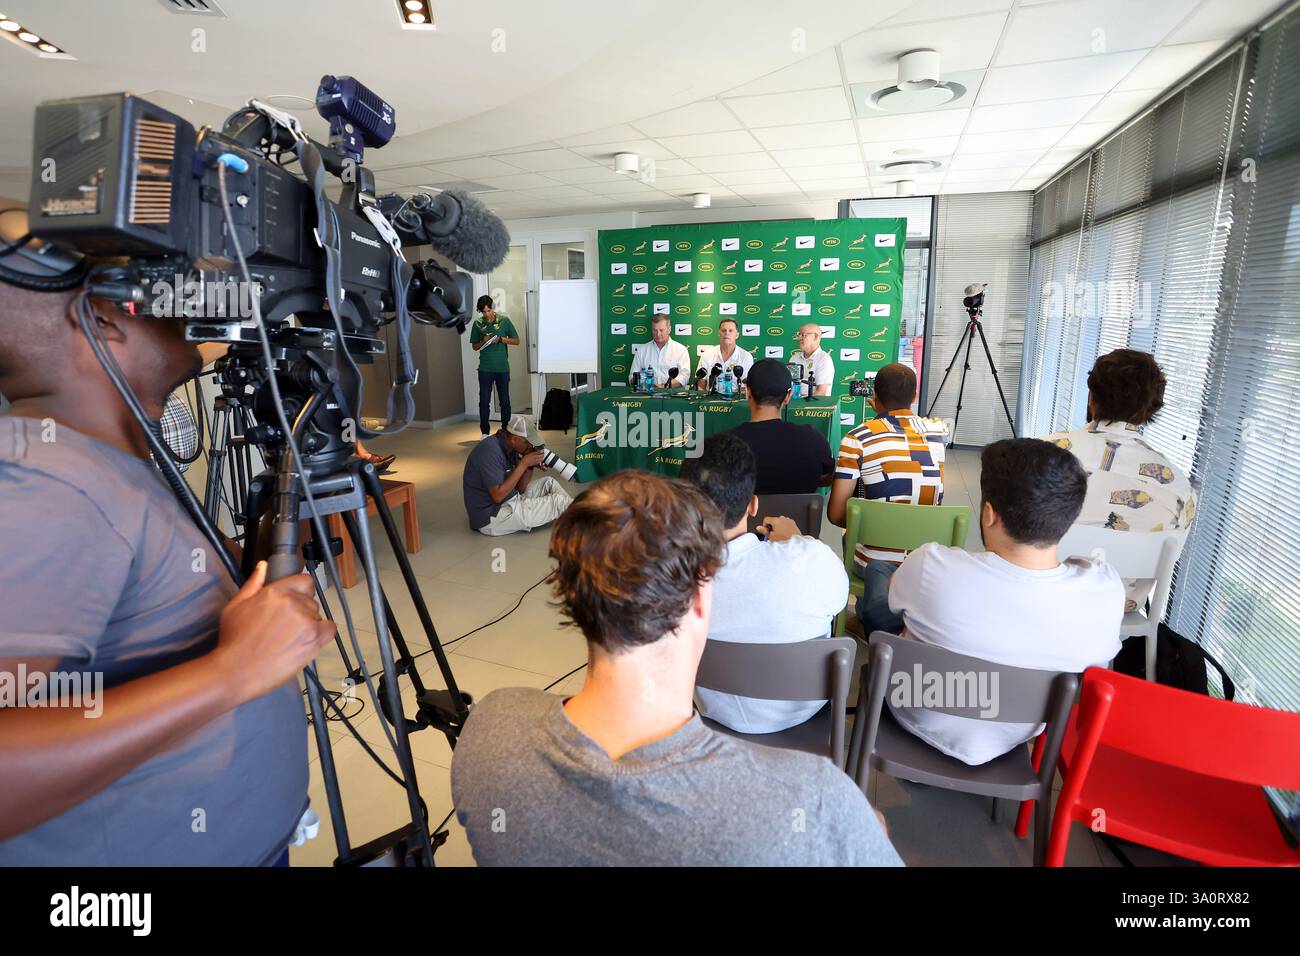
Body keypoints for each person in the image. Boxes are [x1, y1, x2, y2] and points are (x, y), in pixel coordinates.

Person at [0, 205, 335, 865]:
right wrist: (232, 673)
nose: (182, 297)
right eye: (153, 281)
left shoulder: (100, 462)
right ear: (100, 319)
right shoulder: (44, 484)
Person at [450, 470, 901, 866]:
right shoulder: (819, 800)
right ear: (702, 599)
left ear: (575, 600)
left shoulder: (488, 728)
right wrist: (863, 830)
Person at [880, 438, 1125, 766]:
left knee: (882, 583)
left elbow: (893, 601)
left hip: (915, 711)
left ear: (989, 514)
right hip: (1017, 733)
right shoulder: (1105, 594)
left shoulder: (933, 565)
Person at [681, 434, 848, 734]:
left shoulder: (669, 583)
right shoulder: (811, 561)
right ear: (753, 505)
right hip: (805, 716)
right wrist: (800, 538)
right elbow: (840, 598)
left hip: (716, 718)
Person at [1043, 349, 1196, 612]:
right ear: (1148, 411)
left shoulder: (1042, 453)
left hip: (1039, 594)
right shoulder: (1180, 489)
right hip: (1115, 613)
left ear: (1092, 398)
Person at [827, 363, 945, 634]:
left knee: (851, 535)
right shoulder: (938, 434)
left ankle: (871, 613)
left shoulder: (857, 438)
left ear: (874, 399)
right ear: (915, 397)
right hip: (923, 555)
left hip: (872, 559)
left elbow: (835, 515)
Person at [727, 358, 833, 494]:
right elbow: (828, 477)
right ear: (788, 396)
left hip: (746, 515)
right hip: (799, 515)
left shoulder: (725, 445)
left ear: (748, 393)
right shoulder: (813, 439)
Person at [462, 414, 572, 536]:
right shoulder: (490, 451)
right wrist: (524, 464)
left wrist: (530, 465)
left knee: (549, 482)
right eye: (528, 443)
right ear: (515, 439)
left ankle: (574, 514)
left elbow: (520, 488)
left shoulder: (511, 447)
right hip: (492, 516)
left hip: (510, 499)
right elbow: (497, 496)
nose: (531, 447)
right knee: (557, 502)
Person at [470, 294, 520, 440]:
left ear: (493, 307)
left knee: (504, 401)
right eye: (483, 312)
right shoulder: (478, 324)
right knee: (484, 401)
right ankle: (485, 432)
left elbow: (516, 341)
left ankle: (505, 430)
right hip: (485, 369)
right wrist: (483, 340)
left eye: (488, 310)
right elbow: (474, 346)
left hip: (502, 368)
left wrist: (501, 339)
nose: (487, 314)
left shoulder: (504, 321)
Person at [630, 311, 691, 388]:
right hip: (647, 395)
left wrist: (665, 386)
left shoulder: (681, 350)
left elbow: (684, 376)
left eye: (661, 330)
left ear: (669, 329)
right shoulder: (642, 351)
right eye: (655, 330)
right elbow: (632, 376)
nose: (658, 334)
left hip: (672, 395)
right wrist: (641, 382)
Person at [695, 317, 753, 389]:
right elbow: (701, 385)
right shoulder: (707, 354)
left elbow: (746, 387)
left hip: (735, 399)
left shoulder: (746, 356)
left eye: (730, 330)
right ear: (719, 333)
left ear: (737, 335)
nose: (727, 333)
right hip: (710, 398)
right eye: (723, 330)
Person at [790, 323, 834, 397]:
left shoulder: (824, 359)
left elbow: (821, 392)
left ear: (816, 337)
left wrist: (801, 405)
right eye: (798, 335)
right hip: (794, 403)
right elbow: (790, 386)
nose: (799, 338)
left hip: (814, 406)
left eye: (803, 335)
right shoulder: (794, 358)